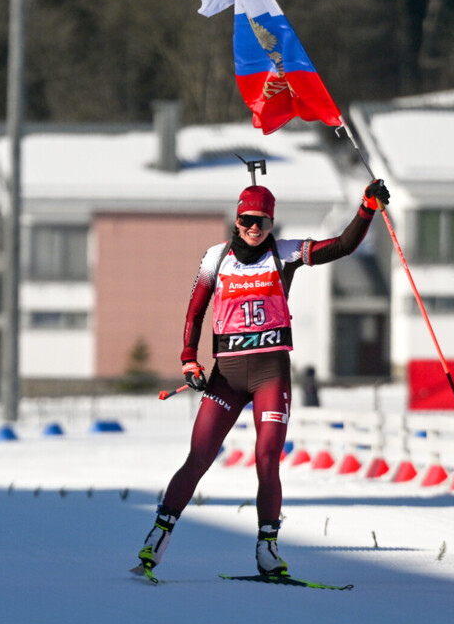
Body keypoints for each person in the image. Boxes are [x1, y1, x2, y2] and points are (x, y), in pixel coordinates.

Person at [137, 177, 389, 578]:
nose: (255, 229)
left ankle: (267, 549)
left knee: (267, 459)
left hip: (271, 374)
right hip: (227, 377)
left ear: (273, 223)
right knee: (199, 456)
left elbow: (340, 246)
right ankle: (158, 534)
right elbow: (195, 312)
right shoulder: (214, 258)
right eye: (248, 221)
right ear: (237, 221)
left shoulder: (284, 252)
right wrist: (189, 359)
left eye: (264, 222)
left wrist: (366, 208)